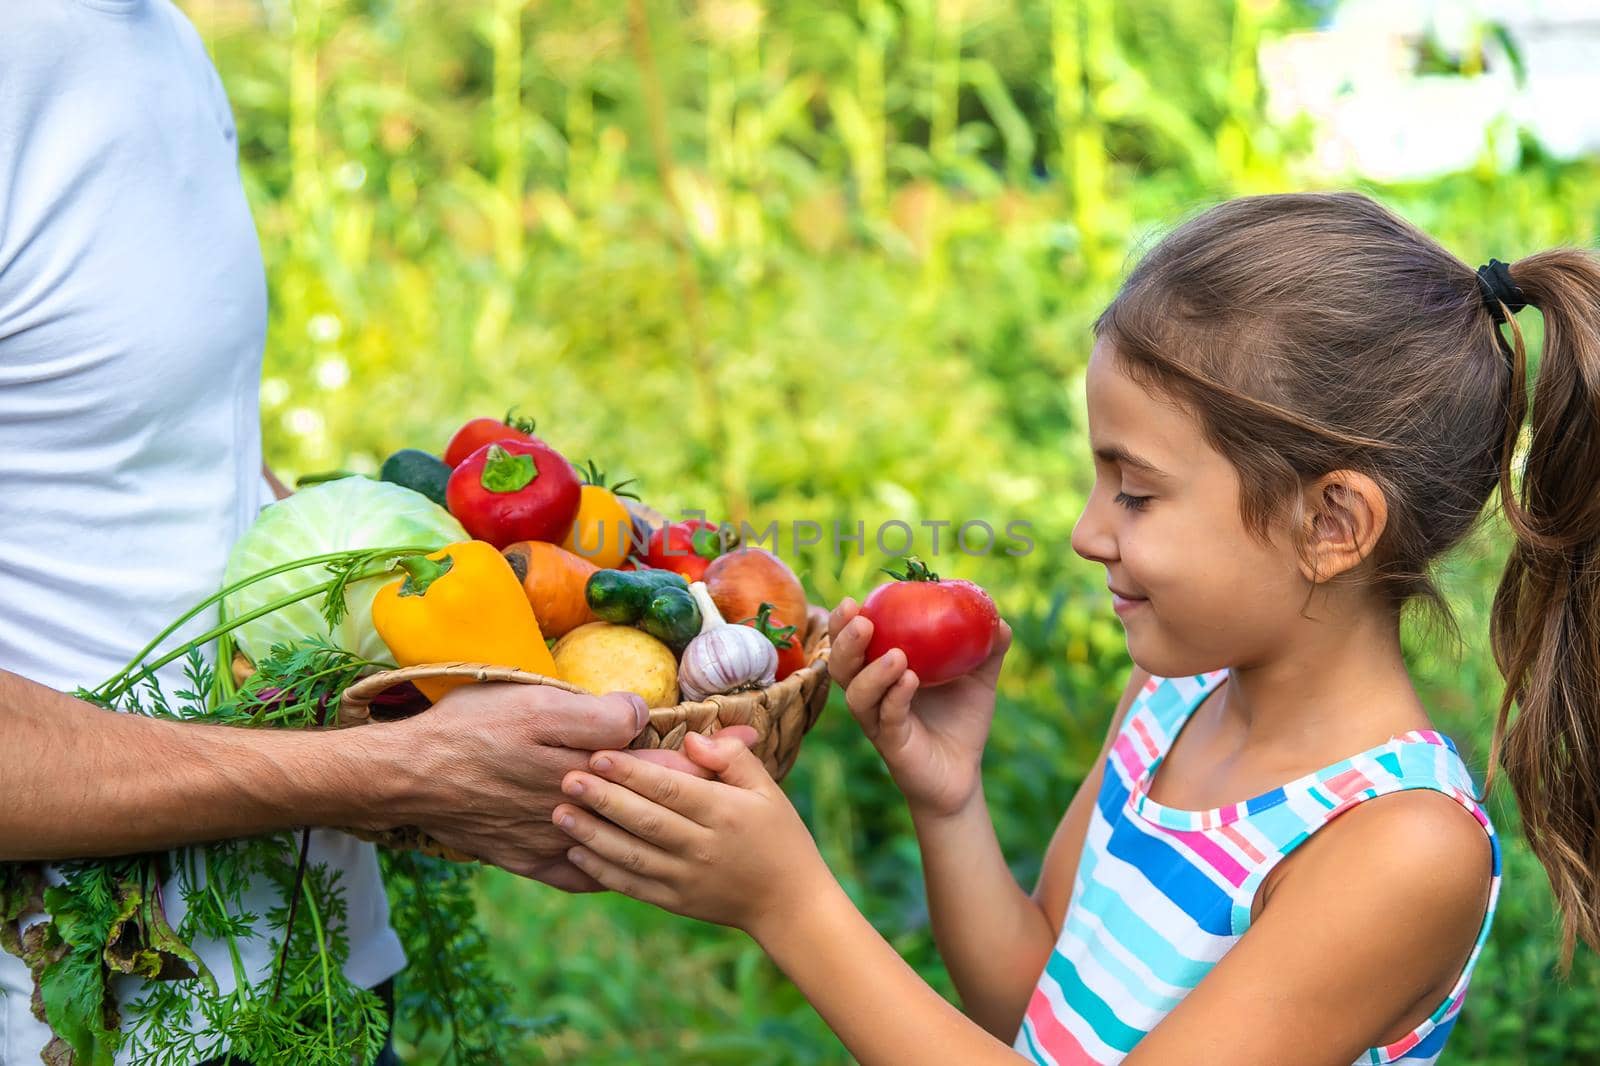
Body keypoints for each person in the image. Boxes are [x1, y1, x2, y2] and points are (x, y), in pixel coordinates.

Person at [543, 192, 1600, 1064]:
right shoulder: (1175, 701)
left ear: (1330, 524)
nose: (1088, 532)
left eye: (1135, 494)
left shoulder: (1396, 846)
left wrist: (792, 907)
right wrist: (947, 799)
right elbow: (1024, 1005)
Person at [0, 3, 751, 1062]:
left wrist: (448, 614)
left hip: (322, 975)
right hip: (82, 1024)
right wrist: (391, 771)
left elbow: (182, 466)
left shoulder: (153, 33)